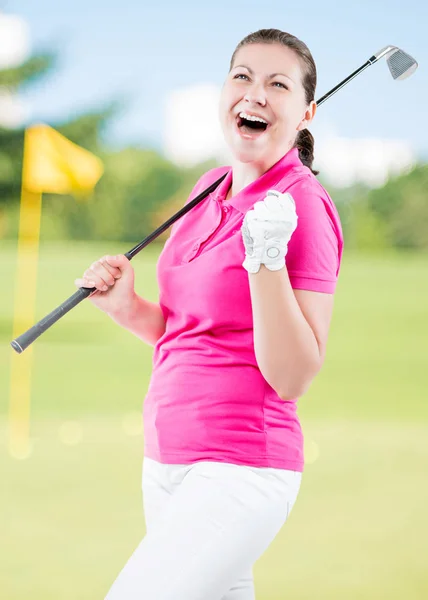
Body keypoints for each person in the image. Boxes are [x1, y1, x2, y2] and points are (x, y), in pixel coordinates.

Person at [75, 28, 344, 600]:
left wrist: (266, 259)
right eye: (243, 76)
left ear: (306, 112)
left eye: (278, 83)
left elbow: (294, 376)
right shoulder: (207, 188)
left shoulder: (302, 206)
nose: (256, 93)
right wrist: (126, 306)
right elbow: (185, 330)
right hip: (167, 455)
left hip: (242, 464)